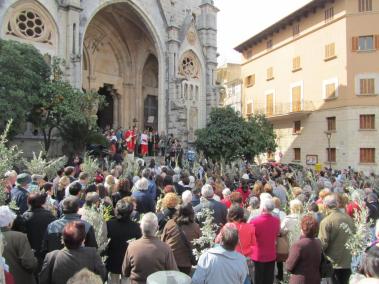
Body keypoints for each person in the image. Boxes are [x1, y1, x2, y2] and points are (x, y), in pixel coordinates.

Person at [39, 221, 106, 284]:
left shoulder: (51, 256)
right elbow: (102, 275)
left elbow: (43, 281)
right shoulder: (92, 253)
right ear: (83, 240)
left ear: (62, 239)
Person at [122, 213, 178, 283]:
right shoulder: (165, 248)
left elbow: (125, 272)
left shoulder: (131, 246)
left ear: (140, 227)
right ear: (157, 228)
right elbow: (173, 273)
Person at [319, 194, 354, 284]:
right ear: (337, 205)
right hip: (347, 262)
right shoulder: (348, 218)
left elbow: (323, 244)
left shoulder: (326, 221)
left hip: (332, 264)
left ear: (325, 206)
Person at [215, 205, 256, 282]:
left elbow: (217, 241)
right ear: (242, 215)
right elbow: (254, 243)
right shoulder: (250, 227)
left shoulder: (228, 226)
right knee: (246, 279)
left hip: (231, 258)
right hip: (246, 258)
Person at [106, 198, 142, 284]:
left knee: (112, 281)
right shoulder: (136, 227)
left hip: (113, 260)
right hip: (128, 261)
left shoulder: (109, 224)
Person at [0, 205, 38, 284]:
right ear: (9, 223)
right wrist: (34, 258)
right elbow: (29, 264)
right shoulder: (19, 237)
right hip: (19, 279)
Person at [161, 203, 201, 275]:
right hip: (185, 263)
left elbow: (162, 240)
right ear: (192, 213)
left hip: (170, 260)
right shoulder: (196, 227)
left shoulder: (170, 223)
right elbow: (199, 244)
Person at [249, 196, 280, 284]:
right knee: (269, 279)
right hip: (271, 253)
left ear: (262, 208)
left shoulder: (254, 221)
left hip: (258, 254)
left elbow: (251, 237)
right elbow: (277, 233)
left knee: (258, 279)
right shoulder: (276, 220)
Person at [22, 192, 56, 271]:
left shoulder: (25, 216)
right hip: (46, 250)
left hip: (31, 249)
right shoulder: (49, 215)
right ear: (42, 202)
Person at [285, 215, 322, 284]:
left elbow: (289, 266)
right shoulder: (318, 243)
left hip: (300, 280)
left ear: (302, 228)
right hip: (315, 279)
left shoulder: (298, 245)